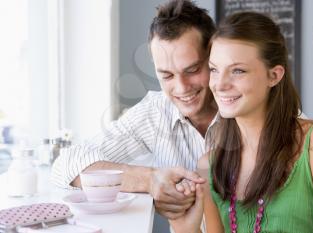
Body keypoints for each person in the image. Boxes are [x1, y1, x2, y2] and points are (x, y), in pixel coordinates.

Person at [170, 12, 313, 233]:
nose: (220, 84)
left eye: (238, 70)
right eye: (215, 69)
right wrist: (185, 229)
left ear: (274, 76)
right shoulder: (209, 165)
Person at [51, 0, 217, 219]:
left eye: (192, 70)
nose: (182, 87)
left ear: (213, 56)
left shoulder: (246, 104)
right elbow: (67, 164)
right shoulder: (154, 113)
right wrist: (149, 180)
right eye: (167, 75)